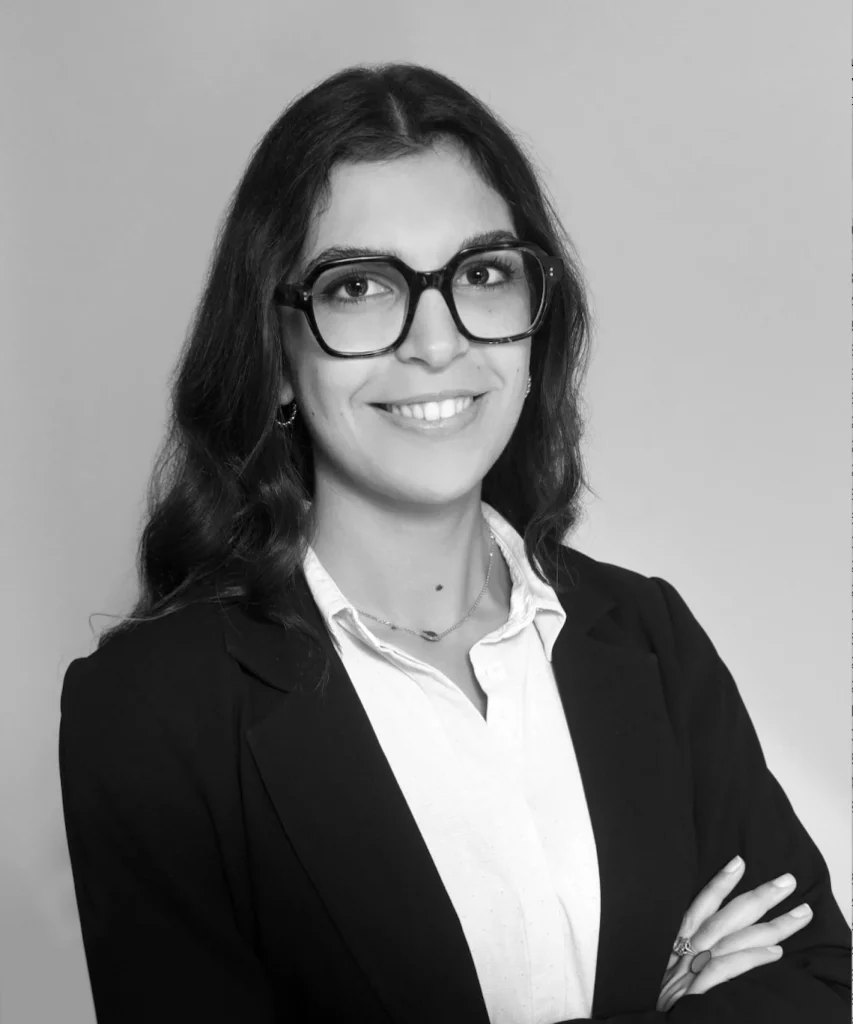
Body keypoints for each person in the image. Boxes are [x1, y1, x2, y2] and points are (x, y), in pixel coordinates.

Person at [58, 63, 850, 1023]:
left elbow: (818, 982)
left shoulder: (647, 632)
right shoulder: (148, 712)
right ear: (275, 356)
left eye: (481, 274)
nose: (436, 344)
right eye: (359, 286)